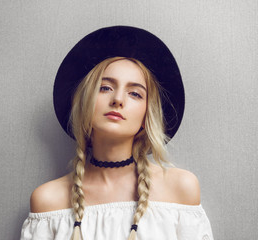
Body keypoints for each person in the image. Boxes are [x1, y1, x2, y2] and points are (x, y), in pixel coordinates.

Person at [20, 26, 214, 240]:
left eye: (135, 93)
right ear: (85, 102)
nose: (118, 99)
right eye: (105, 88)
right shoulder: (48, 201)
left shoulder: (181, 188)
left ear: (146, 116)